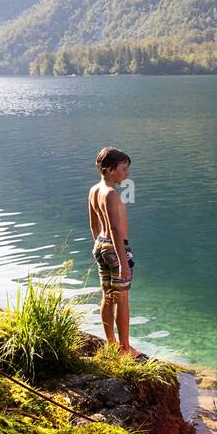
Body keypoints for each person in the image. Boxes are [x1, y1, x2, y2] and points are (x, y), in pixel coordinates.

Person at [88, 146, 141, 357]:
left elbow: (94, 225)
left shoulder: (94, 190)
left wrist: (100, 248)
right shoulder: (111, 194)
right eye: (123, 169)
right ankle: (125, 348)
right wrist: (122, 262)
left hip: (100, 245)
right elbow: (115, 229)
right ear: (110, 169)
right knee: (122, 298)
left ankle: (110, 343)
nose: (126, 174)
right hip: (115, 247)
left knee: (107, 294)